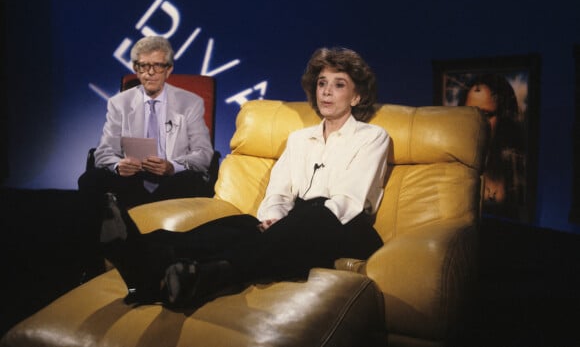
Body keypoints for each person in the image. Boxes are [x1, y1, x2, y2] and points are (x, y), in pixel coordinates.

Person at [100, 47, 390, 308]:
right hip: (299, 222)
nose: (326, 92)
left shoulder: (372, 137)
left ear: (356, 96)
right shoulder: (300, 139)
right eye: (322, 83)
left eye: (339, 85)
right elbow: (278, 192)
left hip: (345, 226)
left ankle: (197, 273)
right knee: (242, 224)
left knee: (312, 218)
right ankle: (149, 253)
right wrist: (274, 218)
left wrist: (285, 225)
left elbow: (349, 199)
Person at [77, 36, 215, 277]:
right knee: (89, 180)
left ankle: (138, 242)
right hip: (133, 181)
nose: (150, 73)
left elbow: (204, 155)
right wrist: (119, 165)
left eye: (157, 66)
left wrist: (172, 166)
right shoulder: (119, 103)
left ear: (168, 70)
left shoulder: (190, 103)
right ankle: (91, 265)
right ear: (135, 69)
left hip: (171, 183)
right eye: (143, 66)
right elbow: (103, 153)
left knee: (190, 180)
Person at [458, 73, 526, 218]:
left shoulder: (518, 165)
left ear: (503, 117)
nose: (477, 122)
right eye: (470, 113)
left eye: (487, 114)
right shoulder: (451, 163)